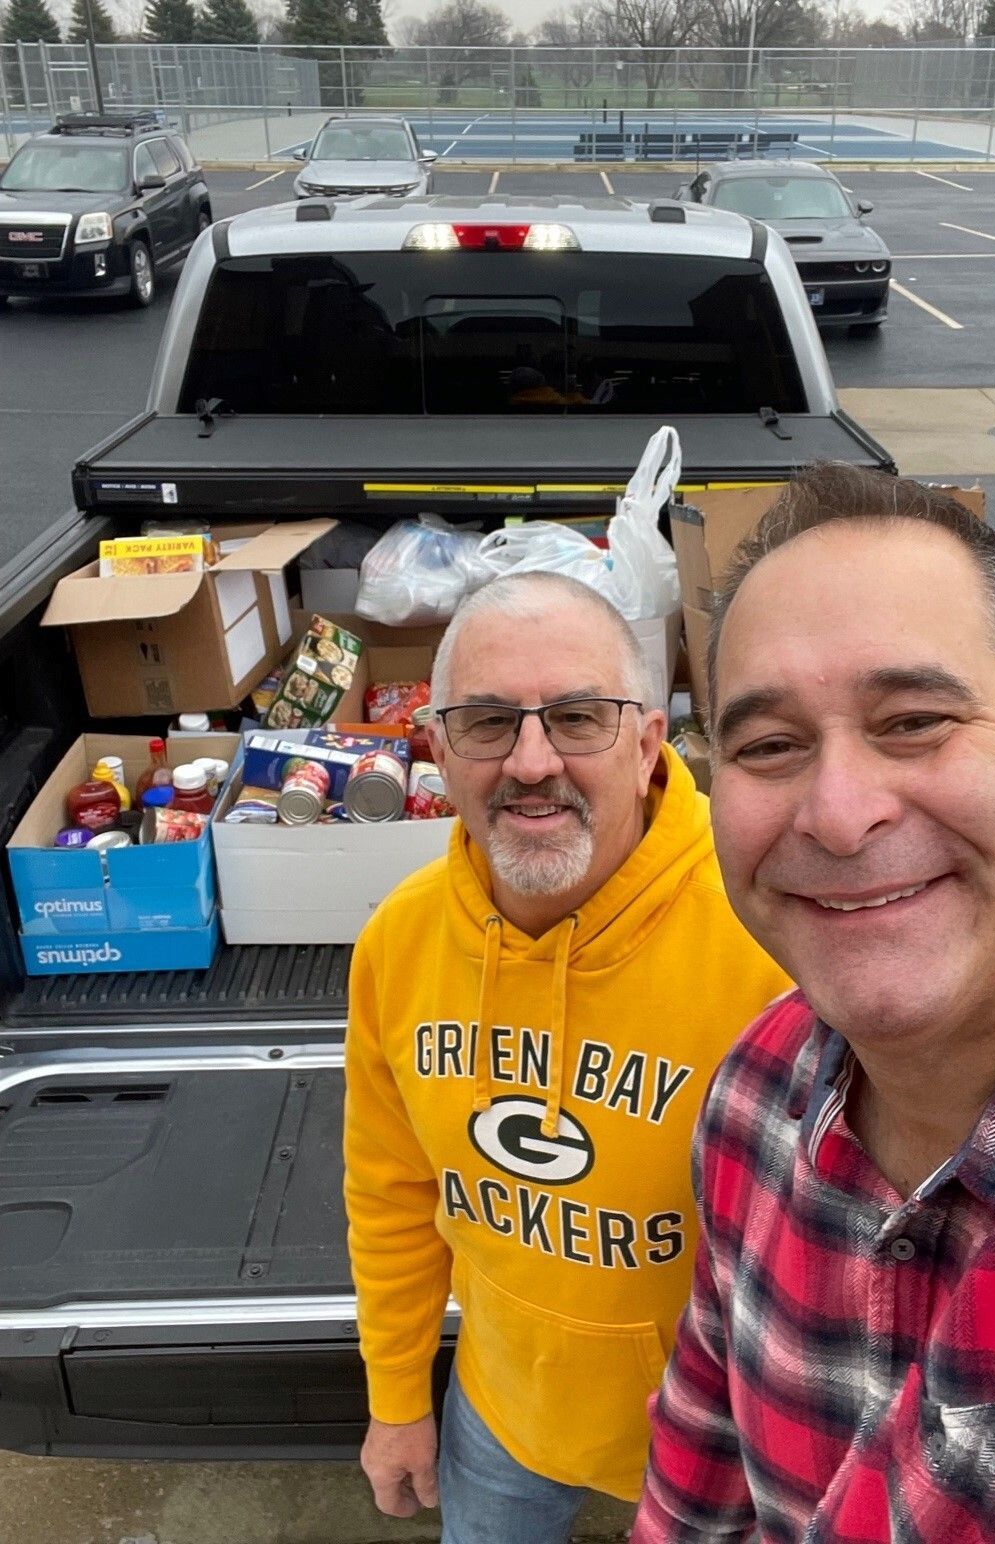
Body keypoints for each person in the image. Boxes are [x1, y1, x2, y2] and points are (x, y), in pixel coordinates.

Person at [634, 464, 995, 1543]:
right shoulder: (754, 1095)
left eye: (914, 719)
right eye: (770, 744)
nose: (837, 813)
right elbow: (697, 1482)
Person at [344, 571, 792, 1543]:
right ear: (435, 749)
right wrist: (395, 1397)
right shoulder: (399, 943)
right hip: (505, 1413)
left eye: (578, 717)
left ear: (646, 743)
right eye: (489, 721)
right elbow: (389, 1191)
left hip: (731, 1442)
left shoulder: (775, 937)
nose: (532, 760)